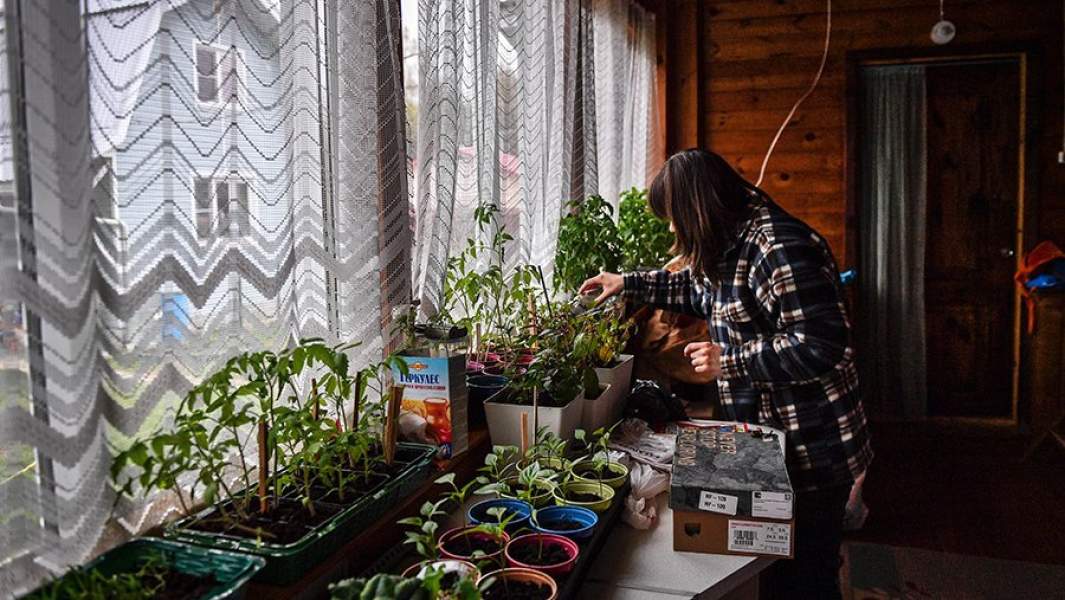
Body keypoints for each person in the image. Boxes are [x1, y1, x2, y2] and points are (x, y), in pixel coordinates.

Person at [581, 149, 873, 599]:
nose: (673, 230)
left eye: (674, 218)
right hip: (768, 442)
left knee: (808, 578)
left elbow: (822, 346)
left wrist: (729, 361)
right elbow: (693, 288)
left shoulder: (778, 247)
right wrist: (627, 282)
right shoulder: (729, 244)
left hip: (813, 448)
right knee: (774, 572)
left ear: (698, 207)